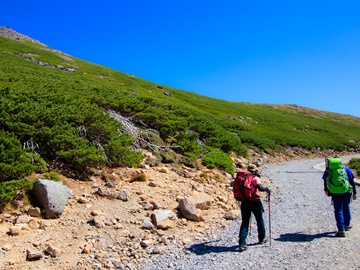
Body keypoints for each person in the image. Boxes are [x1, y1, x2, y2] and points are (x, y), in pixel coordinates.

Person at [322, 156, 357, 237]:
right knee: (346, 207)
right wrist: (354, 192)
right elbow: (352, 181)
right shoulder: (346, 169)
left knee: (338, 210)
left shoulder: (329, 170)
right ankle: (347, 225)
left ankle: (341, 230)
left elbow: (325, 180)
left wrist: (326, 190)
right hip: (346, 191)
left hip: (335, 192)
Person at [238, 165, 271, 252]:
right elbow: (260, 187)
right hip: (254, 202)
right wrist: (267, 189)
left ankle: (242, 243)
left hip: (244, 202)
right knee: (259, 220)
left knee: (245, 222)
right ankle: (262, 238)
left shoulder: (243, 178)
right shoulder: (255, 178)